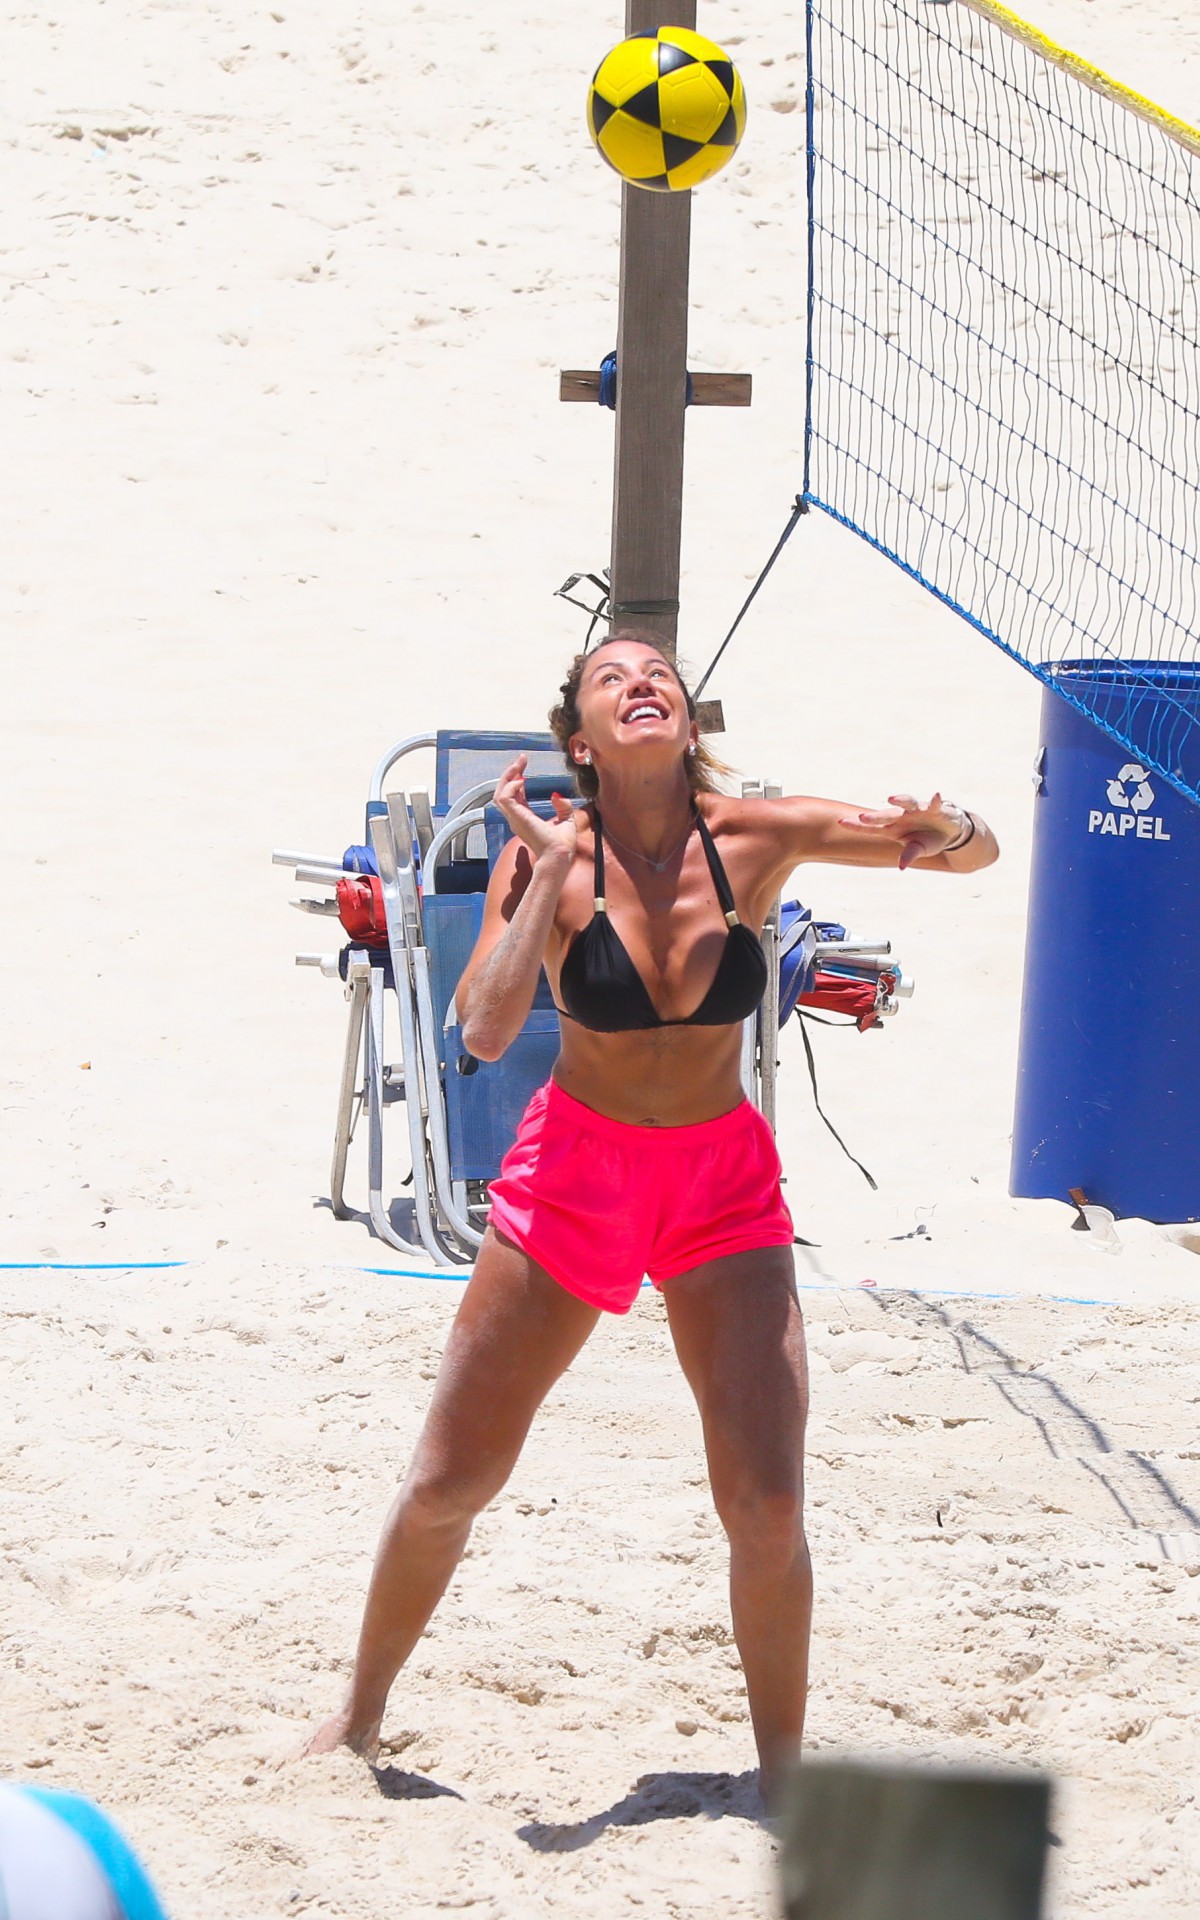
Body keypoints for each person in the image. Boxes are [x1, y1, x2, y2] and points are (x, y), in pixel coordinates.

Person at [306, 630, 999, 1792]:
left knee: (767, 1503)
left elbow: (967, 857)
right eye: (612, 677)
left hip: (722, 1184)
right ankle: (359, 1718)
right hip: (576, 1176)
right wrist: (539, 877)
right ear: (581, 737)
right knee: (451, 1481)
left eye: (658, 673)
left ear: (686, 719)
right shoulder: (550, 862)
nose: (643, 682)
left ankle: (781, 1778)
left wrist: (954, 821)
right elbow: (479, 1031)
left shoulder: (756, 837)